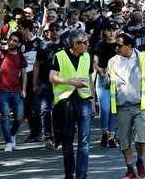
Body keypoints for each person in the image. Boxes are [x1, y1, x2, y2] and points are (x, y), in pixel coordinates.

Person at [100, 33, 145, 179]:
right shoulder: (112, 61)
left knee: (141, 137)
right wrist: (103, 76)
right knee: (124, 140)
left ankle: (140, 161)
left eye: (119, 45)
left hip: (140, 105)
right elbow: (107, 85)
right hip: (122, 106)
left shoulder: (143, 58)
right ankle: (130, 169)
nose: (116, 48)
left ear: (129, 46)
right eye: (116, 45)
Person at [49, 29, 97, 179]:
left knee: (84, 139)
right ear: (75, 44)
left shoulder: (88, 57)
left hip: (84, 100)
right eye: (85, 43)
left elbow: (90, 80)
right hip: (65, 101)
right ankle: (69, 173)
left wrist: (93, 102)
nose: (87, 45)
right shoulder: (59, 56)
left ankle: (82, 174)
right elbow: (52, 77)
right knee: (67, 139)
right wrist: (71, 82)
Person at [0, 31, 27, 152]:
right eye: (11, 39)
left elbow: (24, 74)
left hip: (16, 90)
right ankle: (8, 142)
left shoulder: (20, 56)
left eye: (15, 41)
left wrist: (24, 89)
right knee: (5, 117)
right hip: (2, 91)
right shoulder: (0, 53)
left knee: (19, 117)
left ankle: (12, 134)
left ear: (18, 44)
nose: (12, 42)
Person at [34, 22, 68, 149]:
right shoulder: (43, 46)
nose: (54, 32)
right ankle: (49, 137)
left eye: (57, 29)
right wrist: (34, 83)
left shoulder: (65, 45)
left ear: (60, 30)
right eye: (52, 30)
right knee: (45, 110)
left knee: (60, 111)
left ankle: (59, 139)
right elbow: (37, 64)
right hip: (45, 83)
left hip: (61, 83)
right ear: (48, 32)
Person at [93, 21, 119, 148]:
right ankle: (104, 131)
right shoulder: (99, 45)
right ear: (104, 31)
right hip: (102, 78)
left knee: (114, 108)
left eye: (114, 30)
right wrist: (98, 71)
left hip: (116, 79)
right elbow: (95, 64)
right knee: (104, 108)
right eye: (109, 30)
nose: (111, 32)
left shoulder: (119, 45)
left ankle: (112, 136)